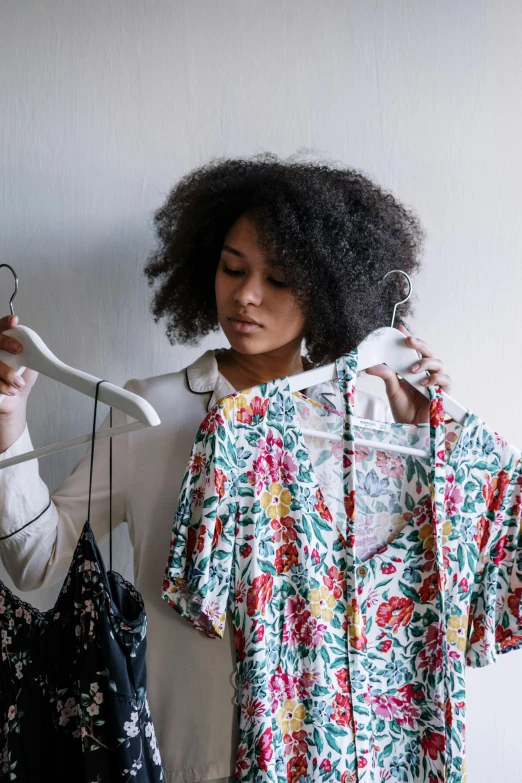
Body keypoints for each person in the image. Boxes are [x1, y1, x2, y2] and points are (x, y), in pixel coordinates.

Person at [0, 154, 452, 783]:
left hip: (336, 759)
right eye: (232, 268)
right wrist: (9, 435)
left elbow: (429, 594)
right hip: (188, 758)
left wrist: (427, 441)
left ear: (329, 286)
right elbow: (38, 564)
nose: (245, 295)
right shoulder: (152, 410)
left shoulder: (375, 417)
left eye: (279, 279)